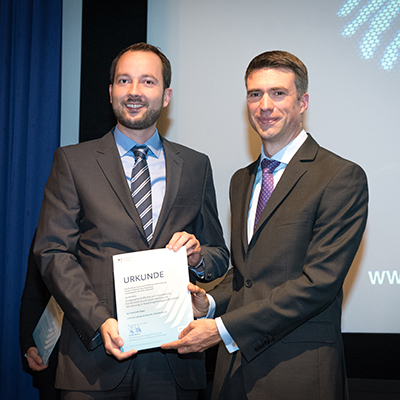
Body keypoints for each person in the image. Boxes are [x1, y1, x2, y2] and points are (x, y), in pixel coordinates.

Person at [161, 50, 369, 400]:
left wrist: (221, 328)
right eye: (255, 94)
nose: (264, 105)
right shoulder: (241, 180)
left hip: (299, 374)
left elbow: (318, 284)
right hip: (234, 376)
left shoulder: (340, 177)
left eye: (278, 93)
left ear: (303, 102)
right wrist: (208, 304)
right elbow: (247, 275)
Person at [33, 43, 228, 399]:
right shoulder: (73, 162)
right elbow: (52, 252)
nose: (134, 91)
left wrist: (199, 257)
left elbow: (219, 254)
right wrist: (97, 321)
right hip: (93, 360)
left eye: (148, 81)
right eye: (124, 81)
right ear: (111, 92)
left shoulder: (196, 165)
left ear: (166, 96)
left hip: (174, 360)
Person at [19, 232, 60, 400]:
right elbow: (33, 295)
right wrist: (30, 345)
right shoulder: (46, 231)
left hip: (101, 363)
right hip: (52, 357)